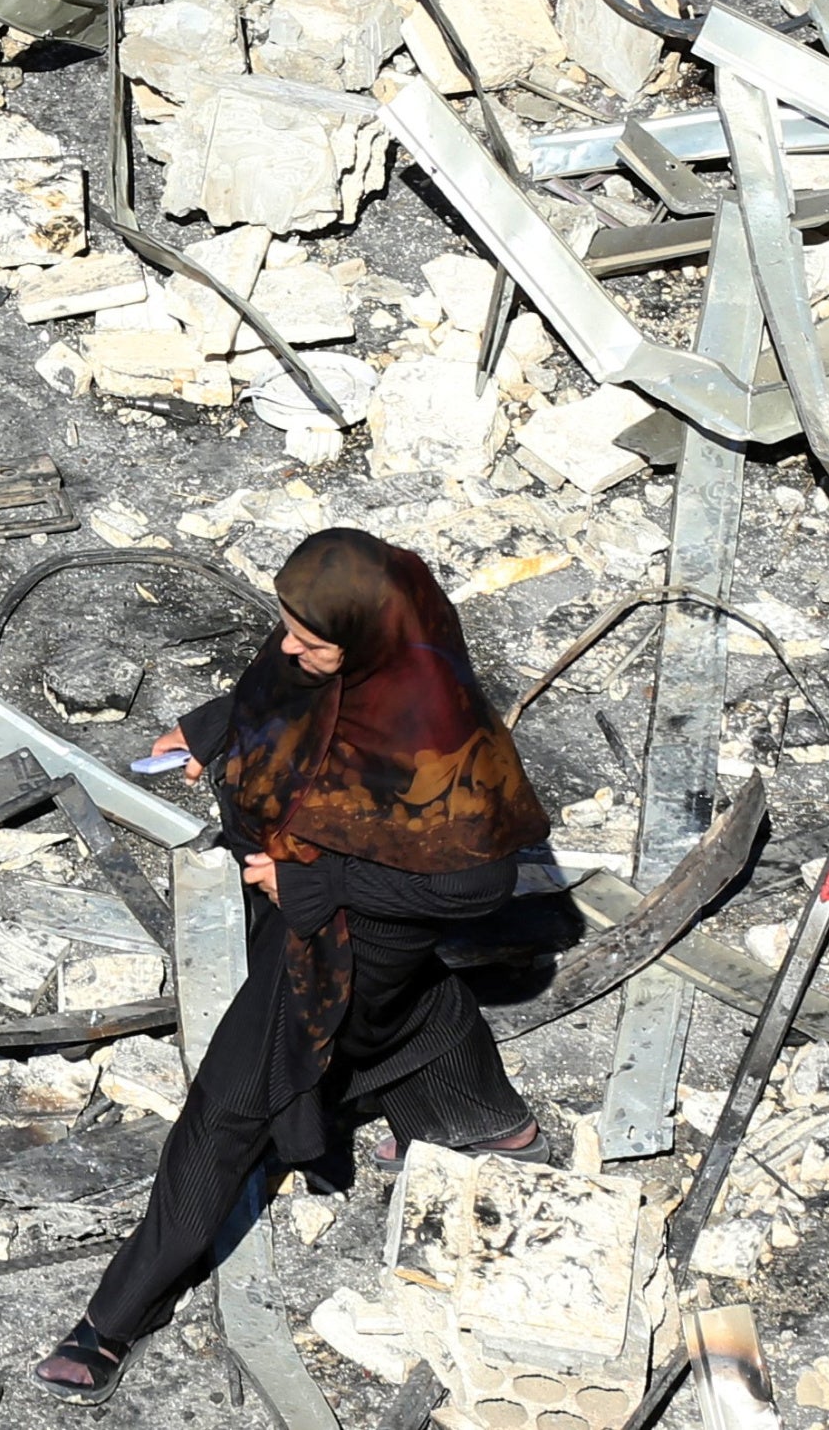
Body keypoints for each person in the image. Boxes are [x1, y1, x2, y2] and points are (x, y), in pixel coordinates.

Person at [35, 527, 550, 1403]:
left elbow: (474, 886)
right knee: (402, 1016)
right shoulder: (333, 660)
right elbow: (284, 698)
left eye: (312, 638)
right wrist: (211, 731)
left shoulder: (435, 729)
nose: (287, 647)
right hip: (296, 901)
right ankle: (487, 1117)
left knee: (233, 1100)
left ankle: (115, 1318)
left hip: (353, 934)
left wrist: (317, 879)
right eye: (286, 625)